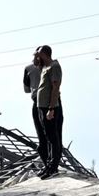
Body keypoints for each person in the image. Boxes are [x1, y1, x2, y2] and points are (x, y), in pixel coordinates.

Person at [33, 45, 63, 178]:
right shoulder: (44, 66)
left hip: (50, 107)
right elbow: (35, 64)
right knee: (46, 138)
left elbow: (55, 88)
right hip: (42, 106)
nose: (37, 56)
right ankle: (48, 166)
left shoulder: (54, 66)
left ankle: (53, 167)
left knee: (53, 138)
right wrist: (36, 55)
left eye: (39, 54)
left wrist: (51, 109)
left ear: (44, 54)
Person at [23, 50, 46, 170]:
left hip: (37, 100)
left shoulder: (28, 68)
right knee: (52, 136)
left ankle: (48, 164)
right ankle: (51, 164)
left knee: (42, 135)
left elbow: (26, 89)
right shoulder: (50, 65)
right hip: (51, 101)